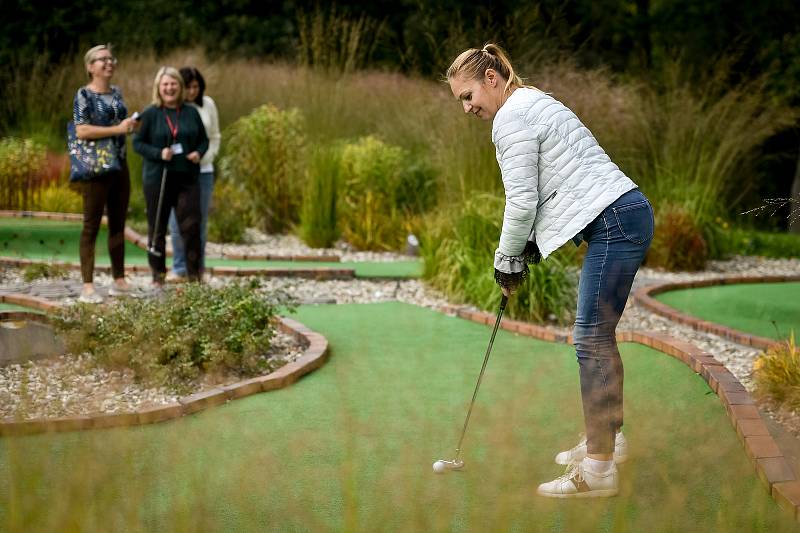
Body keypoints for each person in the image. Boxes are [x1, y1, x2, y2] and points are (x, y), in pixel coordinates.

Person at [447, 44, 654, 498]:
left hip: (615, 221)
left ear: (492, 79)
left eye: (468, 96)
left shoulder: (510, 118)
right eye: (460, 100)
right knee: (597, 336)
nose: (467, 108)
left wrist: (506, 261)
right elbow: (555, 189)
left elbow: (522, 200)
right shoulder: (532, 100)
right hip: (624, 214)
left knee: (590, 338)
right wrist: (529, 251)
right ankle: (610, 442)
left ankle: (598, 471)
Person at [73, 44, 138, 304]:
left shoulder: (118, 93)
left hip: (120, 167)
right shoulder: (83, 95)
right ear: (91, 67)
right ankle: (88, 285)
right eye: (102, 59)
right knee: (91, 226)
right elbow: (82, 131)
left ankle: (119, 279)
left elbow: (121, 126)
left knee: (118, 224)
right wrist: (117, 130)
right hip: (95, 169)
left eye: (111, 58)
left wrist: (130, 126)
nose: (109, 62)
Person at [133, 66, 208, 286]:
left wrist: (198, 153)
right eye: (165, 84)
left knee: (191, 226)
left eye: (173, 83)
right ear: (159, 87)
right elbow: (137, 143)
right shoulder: (150, 113)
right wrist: (158, 153)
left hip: (186, 177)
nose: (169, 88)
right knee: (157, 227)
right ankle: (158, 276)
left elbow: (204, 140)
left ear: (180, 86)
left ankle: (194, 276)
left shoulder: (191, 112)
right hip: (159, 178)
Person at [166, 67, 220, 280]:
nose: (192, 91)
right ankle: (179, 266)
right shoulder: (173, 106)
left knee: (199, 222)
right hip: (178, 171)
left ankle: (197, 269)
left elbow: (214, 136)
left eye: (196, 87)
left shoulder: (208, 105)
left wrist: (205, 157)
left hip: (203, 170)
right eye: (188, 87)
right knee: (175, 222)